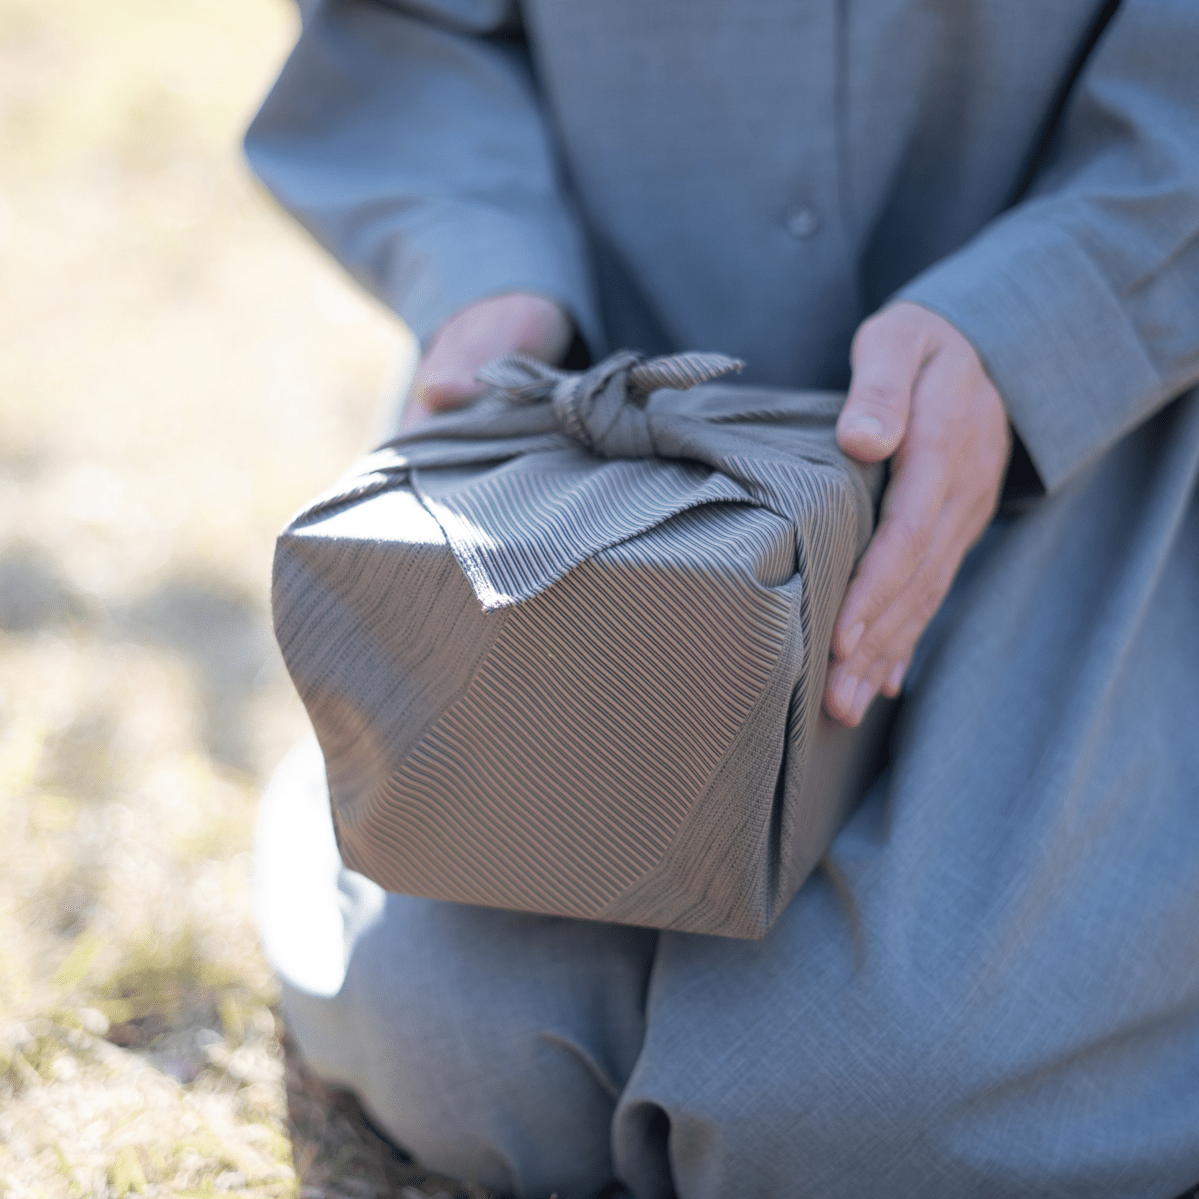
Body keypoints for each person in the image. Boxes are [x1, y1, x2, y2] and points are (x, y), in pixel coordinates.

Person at [245, 2, 1199, 1195]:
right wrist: (485, 268)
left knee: (877, 1103)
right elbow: (403, 31)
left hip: (1079, 415)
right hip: (599, 409)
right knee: (476, 1061)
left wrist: (1049, 310)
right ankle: (347, 769)